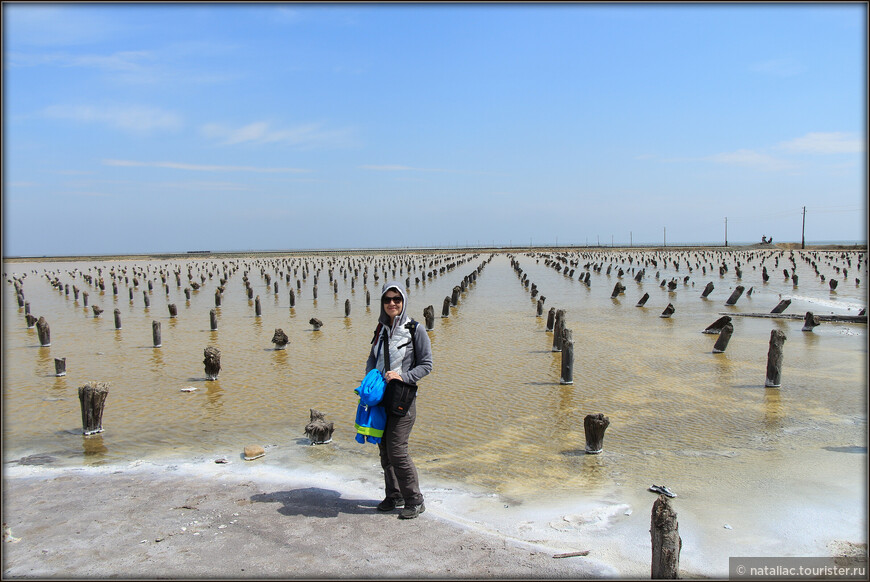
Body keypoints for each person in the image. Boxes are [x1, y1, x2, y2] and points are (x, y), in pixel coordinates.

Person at [365, 281, 433, 519]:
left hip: (403, 398)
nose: (392, 303)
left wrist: (403, 376)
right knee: (384, 448)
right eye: (387, 299)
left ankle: (415, 500)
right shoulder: (381, 328)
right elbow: (372, 359)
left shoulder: (415, 329)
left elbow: (427, 365)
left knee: (397, 450)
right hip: (381, 398)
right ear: (382, 303)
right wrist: (368, 382)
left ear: (403, 301)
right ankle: (394, 495)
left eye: (397, 299)